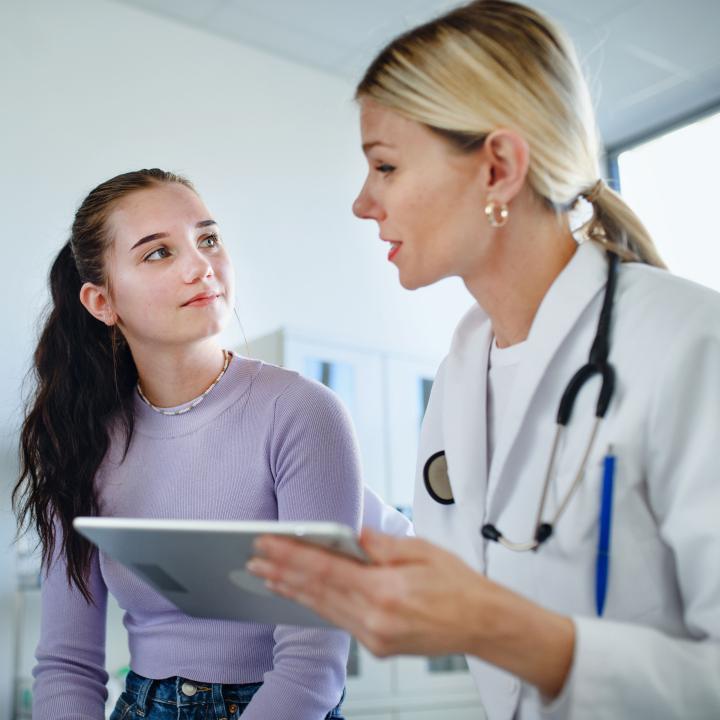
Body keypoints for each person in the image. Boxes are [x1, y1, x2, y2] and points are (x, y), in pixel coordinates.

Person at [246, 1, 720, 718]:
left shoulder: (689, 345)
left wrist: (504, 630)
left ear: (497, 167)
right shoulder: (463, 376)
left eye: (386, 166)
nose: (362, 203)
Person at [12, 168, 409, 720]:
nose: (201, 266)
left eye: (208, 239)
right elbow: (65, 667)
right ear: (102, 302)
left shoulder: (302, 412)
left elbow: (311, 668)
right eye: (158, 253)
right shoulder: (77, 441)